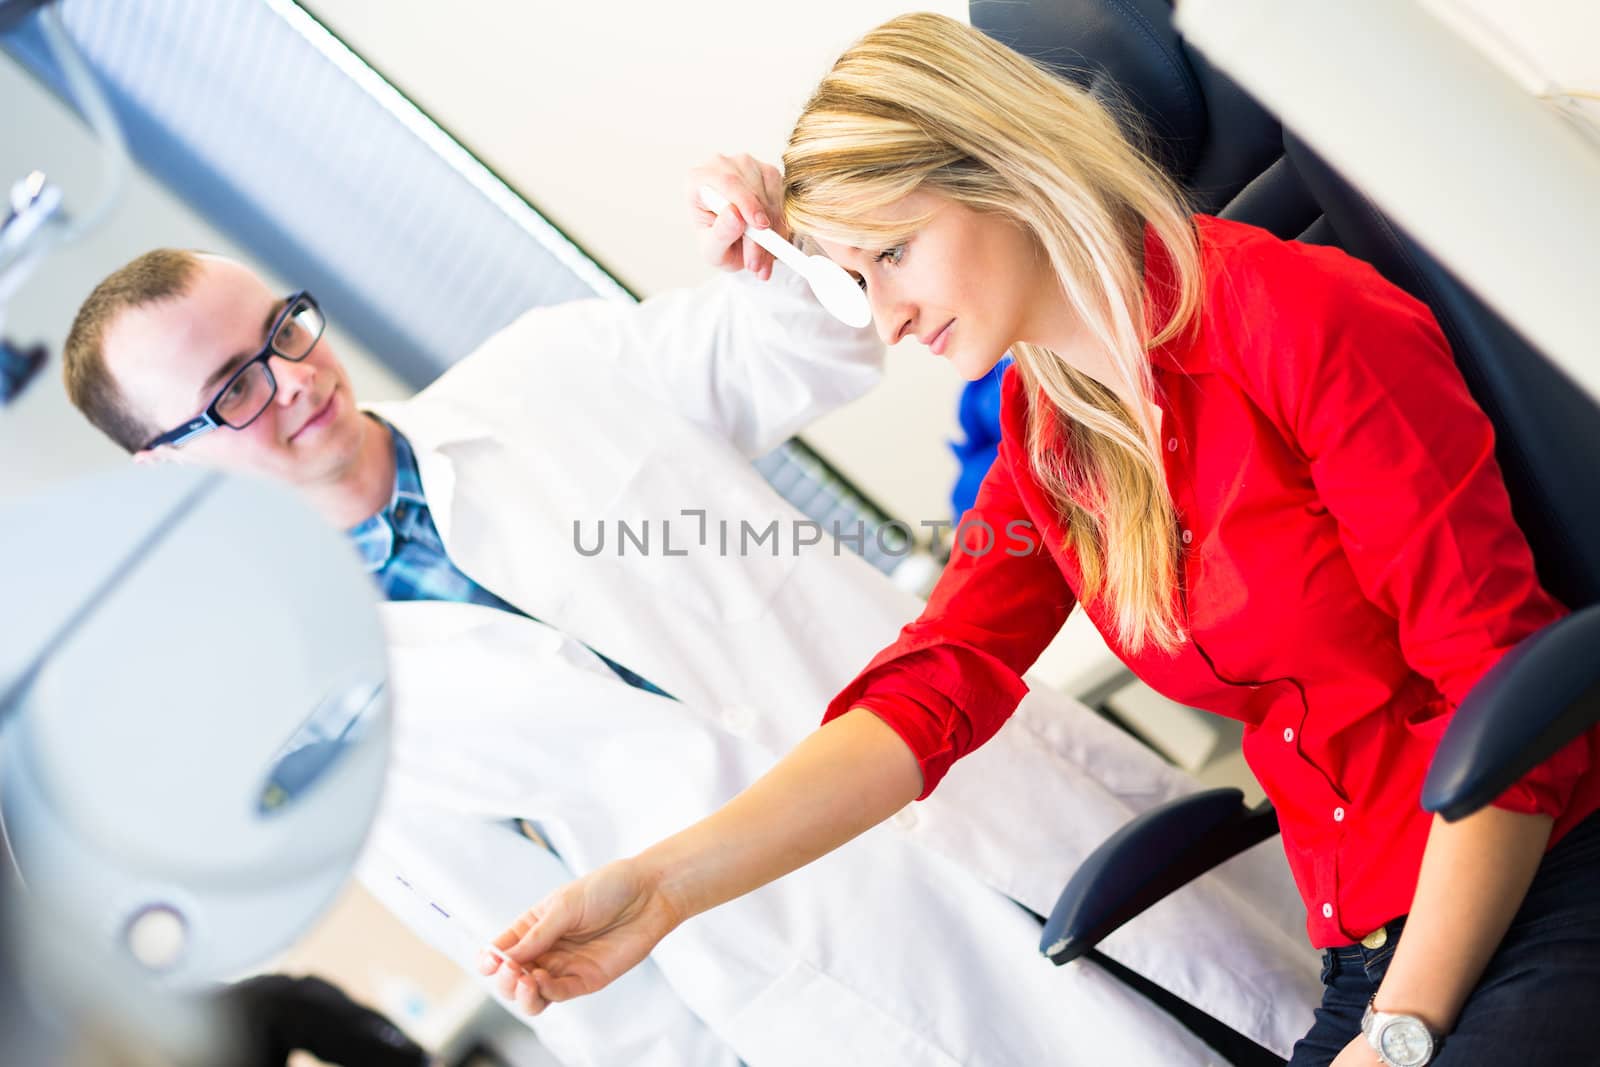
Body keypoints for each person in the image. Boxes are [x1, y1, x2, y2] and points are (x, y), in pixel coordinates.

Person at [478, 15, 1600, 1067]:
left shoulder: (1291, 319)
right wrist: (663, 886)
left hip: (1537, 863)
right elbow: (934, 688)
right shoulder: (1049, 430)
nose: (886, 319)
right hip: (1372, 933)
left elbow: (1507, 697)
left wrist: (1399, 1033)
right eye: (856, 279)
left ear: (1005, 169)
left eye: (895, 256)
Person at [59, 161, 1320, 1064]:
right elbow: (589, 1001)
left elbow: (813, 343)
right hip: (861, 994)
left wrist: (775, 232)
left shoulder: (550, 373)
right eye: (229, 389)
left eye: (282, 327)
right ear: (163, 466)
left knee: (1346, 1015)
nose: (289, 378)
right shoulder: (336, 738)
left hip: (1015, 794)